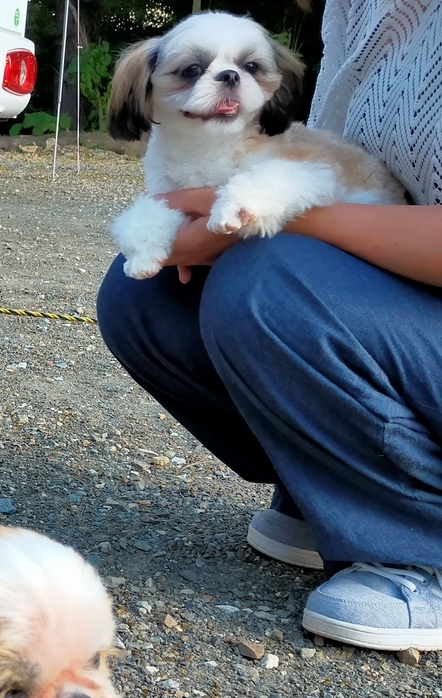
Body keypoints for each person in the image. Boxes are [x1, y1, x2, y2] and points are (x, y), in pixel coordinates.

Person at [96, 0, 442, 652]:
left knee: (263, 283)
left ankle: (419, 539)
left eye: (245, 70)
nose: (227, 80)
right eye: (197, 70)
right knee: (141, 296)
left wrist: (275, 221)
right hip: (380, 275)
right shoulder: (356, 6)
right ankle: (338, 488)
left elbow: (304, 180)